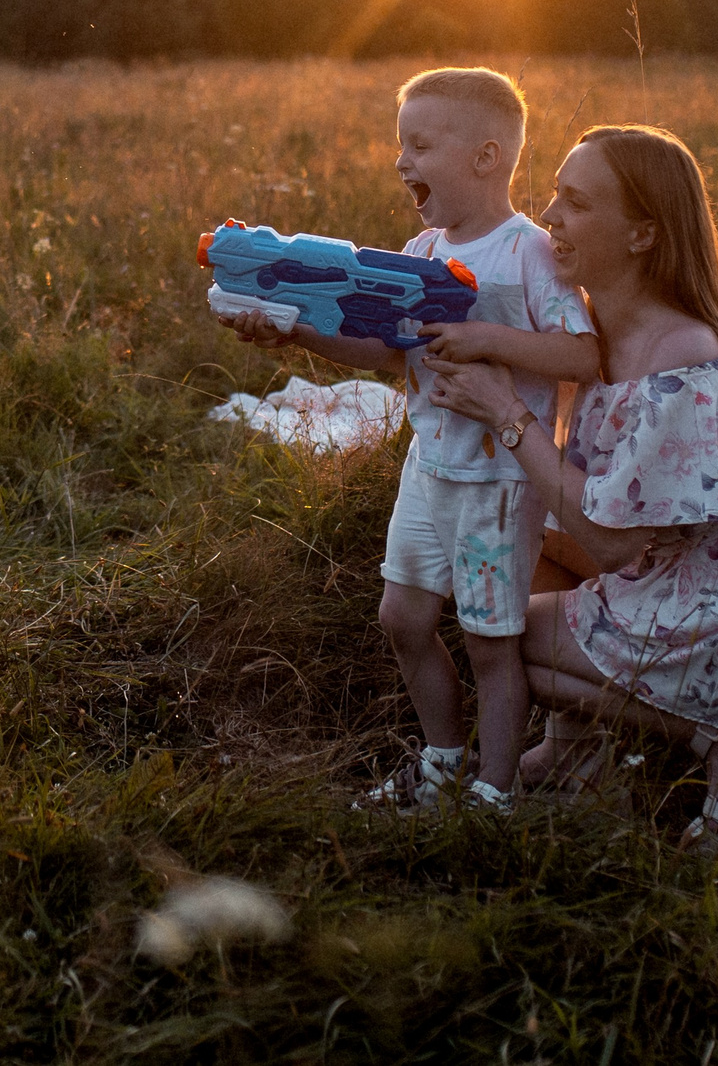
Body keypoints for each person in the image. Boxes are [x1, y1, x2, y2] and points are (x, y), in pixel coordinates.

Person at [422, 123, 718, 848]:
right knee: (516, 563)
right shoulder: (600, 331)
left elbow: (611, 541)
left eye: (577, 202)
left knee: (499, 630)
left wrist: (505, 412)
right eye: (554, 194)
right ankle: (576, 754)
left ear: (643, 235)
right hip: (698, 573)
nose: (550, 214)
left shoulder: (680, 353)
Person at [225, 68, 598, 812]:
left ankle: (495, 794)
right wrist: (298, 335)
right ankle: (444, 763)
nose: (402, 162)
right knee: (401, 618)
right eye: (401, 145)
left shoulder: (530, 253)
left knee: (491, 642)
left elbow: (583, 353)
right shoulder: (420, 250)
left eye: (420, 145)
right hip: (428, 468)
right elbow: (390, 354)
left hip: (499, 483)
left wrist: (486, 336)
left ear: (486, 157)